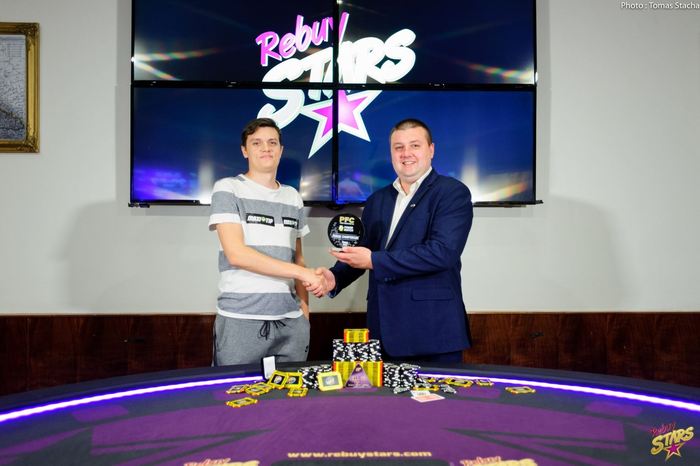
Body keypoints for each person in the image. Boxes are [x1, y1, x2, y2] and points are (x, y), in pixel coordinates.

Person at [311, 118, 473, 363]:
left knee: (436, 391)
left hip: (432, 332)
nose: (406, 153)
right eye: (399, 147)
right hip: (383, 330)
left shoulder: (452, 192)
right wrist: (335, 277)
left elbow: (442, 252)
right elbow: (364, 251)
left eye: (415, 145)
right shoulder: (378, 200)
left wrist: (373, 260)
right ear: (391, 153)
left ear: (431, 150)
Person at [209, 117, 326, 366]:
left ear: (281, 150)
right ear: (245, 150)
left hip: (291, 323)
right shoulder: (227, 189)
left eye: (272, 142)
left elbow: (298, 259)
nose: (266, 148)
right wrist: (303, 273)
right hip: (240, 319)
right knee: (236, 391)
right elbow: (237, 254)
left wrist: (304, 313)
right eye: (257, 143)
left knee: (290, 391)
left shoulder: (292, 196)